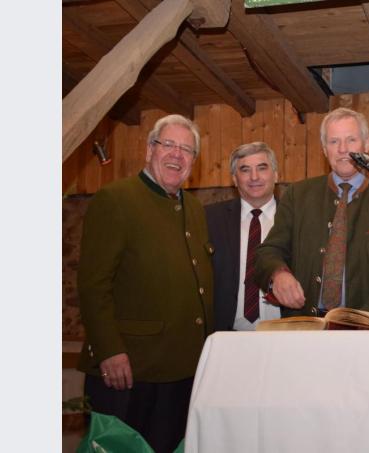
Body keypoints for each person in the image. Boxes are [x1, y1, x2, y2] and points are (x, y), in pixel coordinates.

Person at [77, 114, 213, 452]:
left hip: (181, 370)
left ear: (193, 162)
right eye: (168, 145)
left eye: (186, 150)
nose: (177, 155)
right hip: (129, 368)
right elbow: (94, 284)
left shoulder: (194, 208)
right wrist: (109, 349)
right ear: (150, 149)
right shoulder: (117, 199)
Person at [254, 107, 369, 321]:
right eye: (334, 142)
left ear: (366, 144)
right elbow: (268, 252)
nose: (343, 149)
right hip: (305, 326)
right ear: (324, 149)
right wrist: (278, 274)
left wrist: (364, 317)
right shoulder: (298, 195)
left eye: (351, 140)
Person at [206, 142, 281, 331]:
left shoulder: (297, 219)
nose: (254, 177)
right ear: (234, 178)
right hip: (226, 335)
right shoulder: (209, 219)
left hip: (284, 334)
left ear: (276, 175)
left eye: (262, 168)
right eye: (245, 170)